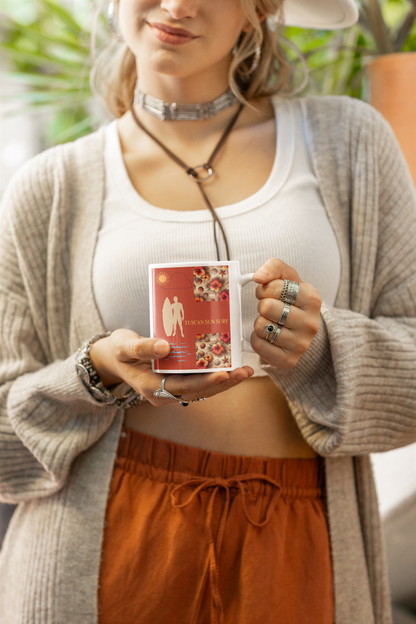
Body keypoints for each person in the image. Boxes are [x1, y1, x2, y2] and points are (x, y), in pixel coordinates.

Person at [0, 0, 416, 622]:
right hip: (107, 548)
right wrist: (97, 373)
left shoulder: (349, 142)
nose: (178, 5)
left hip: (297, 543)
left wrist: (322, 348)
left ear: (261, 9)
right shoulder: (51, 187)